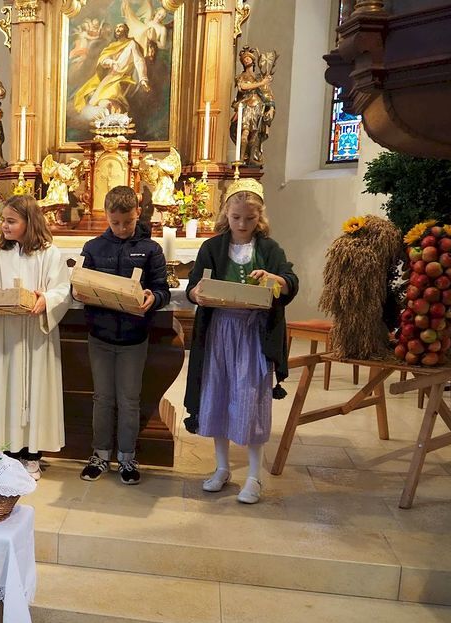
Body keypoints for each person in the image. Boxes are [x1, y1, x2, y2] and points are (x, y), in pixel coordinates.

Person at [184, 178, 298, 504]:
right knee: (218, 395)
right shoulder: (212, 248)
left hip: (253, 333)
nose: (242, 224)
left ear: (259, 217)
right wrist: (197, 293)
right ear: (226, 214)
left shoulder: (270, 249)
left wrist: (274, 279)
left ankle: (253, 476)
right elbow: (193, 287)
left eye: (249, 218)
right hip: (219, 332)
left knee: (250, 400)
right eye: (236, 218)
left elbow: (290, 281)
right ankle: (222, 468)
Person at [0, 195, 72, 480]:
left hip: (36, 334)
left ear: (30, 222)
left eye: (11, 221)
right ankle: (8, 454)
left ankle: (32, 455)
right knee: (5, 388)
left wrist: (47, 299)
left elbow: (62, 289)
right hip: (6, 334)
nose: (4, 225)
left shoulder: (49, 254)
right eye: (3, 220)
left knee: (36, 389)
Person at [78, 186, 170, 485]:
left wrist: (153, 298)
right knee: (102, 397)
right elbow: (79, 282)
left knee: (129, 399)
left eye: (127, 222)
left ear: (137, 214)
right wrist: (78, 291)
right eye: (115, 222)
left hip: (134, 337)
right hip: (100, 335)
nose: (121, 228)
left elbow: (162, 289)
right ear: (106, 216)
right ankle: (100, 454)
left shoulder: (151, 249)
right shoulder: (93, 247)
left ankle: (127, 457)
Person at [72, 23, 149, 118]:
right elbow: (104, 59)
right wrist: (110, 62)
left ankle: (116, 119)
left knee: (112, 95)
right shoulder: (112, 45)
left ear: (126, 30)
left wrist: (143, 79)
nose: (118, 29)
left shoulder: (131, 44)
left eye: (120, 27)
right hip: (110, 76)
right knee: (98, 101)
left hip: (123, 78)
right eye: (117, 27)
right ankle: (107, 120)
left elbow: (139, 60)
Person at [231, 47, 273, 167]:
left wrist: (271, 109)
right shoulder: (241, 76)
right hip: (245, 106)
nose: (246, 60)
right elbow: (243, 87)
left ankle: (251, 158)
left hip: (258, 106)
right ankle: (241, 158)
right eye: (244, 59)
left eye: (248, 58)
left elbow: (268, 95)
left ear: (253, 61)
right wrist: (261, 83)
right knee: (244, 132)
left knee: (255, 135)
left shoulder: (259, 77)